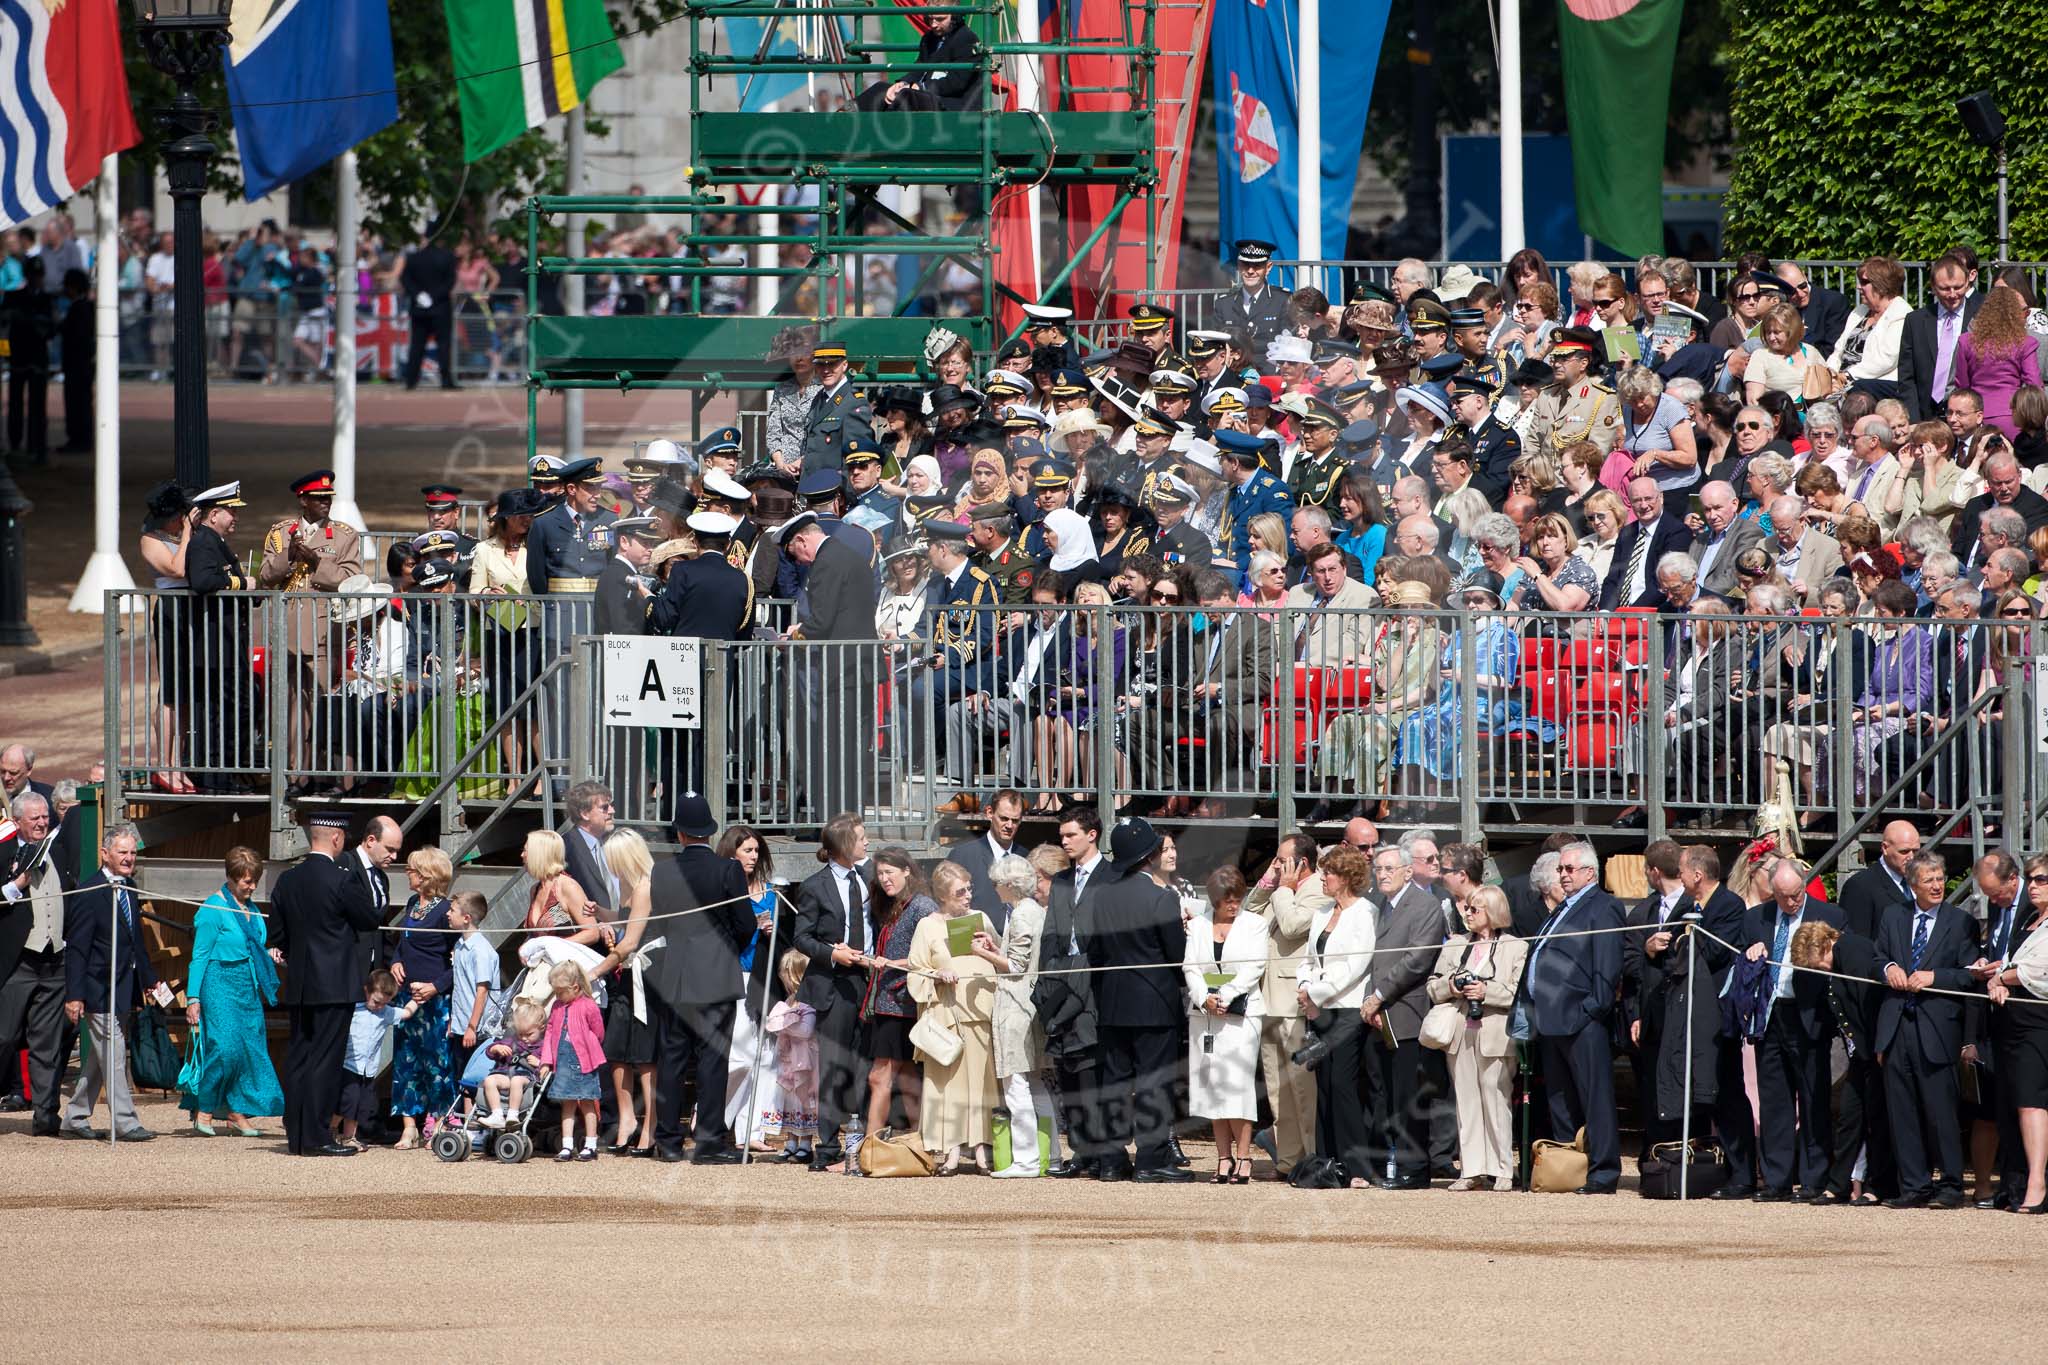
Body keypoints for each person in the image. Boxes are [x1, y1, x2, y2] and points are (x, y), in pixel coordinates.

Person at [642, 795, 755, 1164]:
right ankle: (708, 1141)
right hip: (715, 974)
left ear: (679, 832)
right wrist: (724, 952)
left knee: (672, 1059)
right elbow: (745, 924)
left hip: (675, 973)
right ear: (709, 830)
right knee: (712, 1060)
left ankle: (669, 1140)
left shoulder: (662, 870)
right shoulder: (728, 871)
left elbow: (660, 922)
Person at [1081, 818, 1191, 1182]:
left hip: (1112, 1001)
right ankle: (1151, 1158)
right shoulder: (1162, 897)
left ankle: (1112, 1159)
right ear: (1149, 856)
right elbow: (1176, 955)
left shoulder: (1102, 896)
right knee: (1154, 1083)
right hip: (1155, 1002)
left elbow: (1092, 950)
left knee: (1113, 1081)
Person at [269, 810, 383, 1156]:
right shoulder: (342, 878)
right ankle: (317, 1136)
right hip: (334, 983)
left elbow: (276, 934)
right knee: (325, 1061)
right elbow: (369, 918)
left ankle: (298, 1134)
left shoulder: (287, 880)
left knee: (300, 1057)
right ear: (336, 838)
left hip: (302, 981)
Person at [1516, 841, 1622, 1193]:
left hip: (1581, 1019)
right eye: (1560, 869)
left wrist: (1592, 1009)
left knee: (1595, 1099)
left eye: (1569, 869)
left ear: (1590, 872)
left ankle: (1603, 1172)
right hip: (1550, 1019)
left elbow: (1606, 965)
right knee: (1560, 1100)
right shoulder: (1561, 909)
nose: (1562, 875)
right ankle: (1567, 1168)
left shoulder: (1602, 907)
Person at [1874, 852, 1977, 1208]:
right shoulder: (1893, 916)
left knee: (1941, 1112)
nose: (1936, 886)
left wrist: (1936, 978)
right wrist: (1888, 967)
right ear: (1912, 884)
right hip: (1897, 1025)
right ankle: (1914, 1186)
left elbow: (1970, 975)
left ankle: (1950, 1185)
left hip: (1937, 1026)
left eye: (1940, 878)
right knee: (1902, 1110)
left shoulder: (1960, 921)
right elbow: (1876, 956)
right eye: (1928, 880)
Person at [1740, 859, 1844, 1200]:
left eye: (1796, 894)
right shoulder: (1757, 918)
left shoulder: (1830, 916)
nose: (1791, 902)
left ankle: (1814, 1179)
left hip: (1809, 1015)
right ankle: (1776, 1180)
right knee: (1774, 1102)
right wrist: (1750, 954)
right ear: (1773, 892)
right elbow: (1741, 966)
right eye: (1783, 896)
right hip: (1770, 1015)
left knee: (1814, 1098)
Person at [57, 824, 162, 1142]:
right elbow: (77, 948)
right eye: (122, 852)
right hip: (97, 987)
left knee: (98, 1059)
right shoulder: (91, 892)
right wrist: (74, 994)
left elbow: (136, 940)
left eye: (132, 852)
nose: (129, 858)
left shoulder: (129, 887)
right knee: (114, 1054)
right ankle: (126, 1122)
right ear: (105, 854)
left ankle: (74, 1118)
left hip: (123, 987)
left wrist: (149, 980)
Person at [176, 846, 282, 1138]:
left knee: (249, 1050)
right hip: (218, 982)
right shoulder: (213, 908)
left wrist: (269, 953)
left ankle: (236, 1113)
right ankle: (205, 1109)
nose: (251, 886)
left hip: (247, 986)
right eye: (245, 881)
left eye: (254, 880)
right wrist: (193, 998)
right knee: (225, 1048)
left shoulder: (254, 911)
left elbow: (256, 947)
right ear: (231, 877)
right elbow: (199, 955)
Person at [1425, 885, 1526, 1191]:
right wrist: (1453, 987)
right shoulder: (1455, 945)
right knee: (1466, 1102)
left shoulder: (1516, 946)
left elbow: (1517, 992)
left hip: (1495, 1033)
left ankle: (1502, 1170)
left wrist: (1486, 991)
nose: (1467, 913)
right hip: (1459, 1032)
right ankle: (1470, 1170)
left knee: (1496, 1101)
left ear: (1492, 912)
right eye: (1466, 908)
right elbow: (1432, 987)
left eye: (1474, 909)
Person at [903, 862, 999, 1173]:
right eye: (961, 892)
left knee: (983, 1083)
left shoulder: (981, 918)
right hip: (946, 1015)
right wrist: (936, 974)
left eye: (969, 889)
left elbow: (1002, 958)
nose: (968, 896)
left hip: (980, 1011)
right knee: (949, 1085)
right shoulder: (927, 926)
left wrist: (990, 947)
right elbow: (915, 967)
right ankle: (952, 1149)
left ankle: (984, 1148)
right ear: (944, 896)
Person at [792, 814, 874, 1171]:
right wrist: (832, 953)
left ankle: (863, 1138)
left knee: (864, 1063)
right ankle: (827, 1144)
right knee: (833, 1065)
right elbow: (802, 937)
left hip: (868, 978)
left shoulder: (870, 878)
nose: (867, 842)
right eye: (860, 837)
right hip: (834, 982)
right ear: (843, 845)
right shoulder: (815, 886)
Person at [1243, 835, 1327, 1177]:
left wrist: (1284, 888)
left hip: (1294, 1000)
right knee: (1278, 1091)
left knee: (1303, 1091)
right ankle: (1288, 1159)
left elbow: (1292, 927)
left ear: (1301, 863)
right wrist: (1269, 881)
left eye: (1281, 860)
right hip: (1268, 998)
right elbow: (1251, 913)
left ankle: (1311, 1157)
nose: (1276, 865)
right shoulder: (1282, 889)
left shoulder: (1318, 889)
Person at [1182, 866, 1269, 1184]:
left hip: (1242, 1015)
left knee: (1237, 1084)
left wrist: (1226, 995)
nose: (1234, 905)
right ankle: (1223, 1158)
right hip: (1204, 1015)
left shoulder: (1255, 925)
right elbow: (1191, 967)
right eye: (1227, 901)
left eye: (1238, 899)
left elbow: (1253, 966)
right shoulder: (1199, 925)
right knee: (1211, 1086)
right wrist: (1204, 996)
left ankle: (1244, 1157)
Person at [1295, 846, 1377, 1185]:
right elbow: (1309, 958)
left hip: (1347, 1009)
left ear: (1345, 877)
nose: (1322, 878)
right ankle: (1327, 1164)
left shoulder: (1366, 912)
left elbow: (1355, 966)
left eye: (1328, 872)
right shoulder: (1322, 912)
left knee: (1343, 1085)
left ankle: (1356, 1167)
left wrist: (1314, 994)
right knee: (1324, 1086)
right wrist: (1304, 987)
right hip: (1318, 1009)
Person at [976, 851, 1055, 1177]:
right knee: (1035, 1083)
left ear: (1009, 885)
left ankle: (1026, 1158)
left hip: (1017, 1005)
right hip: (1031, 1004)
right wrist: (997, 948)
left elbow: (1017, 967)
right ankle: (1051, 1154)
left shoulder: (1022, 914)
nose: (994, 889)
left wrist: (983, 954)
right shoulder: (1035, 910)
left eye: (997, 884)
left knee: (1016, 1084)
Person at [1984, 852, 2048, 1212]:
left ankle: (2037, 1185)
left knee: (2032, 1103)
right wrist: (1998, 974)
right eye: (2032, 879)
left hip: (2039, 1023)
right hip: (2013, 1022)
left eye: (2042, 880)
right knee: (2015, 1105)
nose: (2034, 886)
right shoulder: (2029, 919)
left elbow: (2037, 970)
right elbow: (2014, 963)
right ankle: (2020, 1181)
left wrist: (2002, 976)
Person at [381, 847, 456, 1149]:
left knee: (437, 1061)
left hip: (434, 1000)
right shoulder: (413, 904)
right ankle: (409, 1125)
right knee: (405, 1061)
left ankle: (438, 1122)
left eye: (411, 869)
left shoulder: (446, 910)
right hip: (406, 996)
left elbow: (457, 961)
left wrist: (436, 987)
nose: (407, 873)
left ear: (426, 875)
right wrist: (396, 961)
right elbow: (403, 942)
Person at [861, 848, 937, 1144]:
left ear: (907, 871)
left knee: (879, 1077)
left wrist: (892, 962)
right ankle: (923, 1143)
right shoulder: (894, 904)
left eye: (890, 872)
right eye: (880, 874)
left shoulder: (923, 905)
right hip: (889, 1002)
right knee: (906, 1077)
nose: (884, 879)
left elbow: (935, 951)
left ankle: (869, 1146)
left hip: (902, 1001)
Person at [444, 891, 501, 1145]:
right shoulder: (460, 945)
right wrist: (454, 1023)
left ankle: (480, 1125)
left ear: (466, 918)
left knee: (475, 1077)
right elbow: (460, 988)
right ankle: (468, 1124)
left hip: (477, 1027)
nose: (448, 914)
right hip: (460, 1024)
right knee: (462, 1077)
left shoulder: (481, 950)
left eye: (452, 910)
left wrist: (471, 1026)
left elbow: (482, 990)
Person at [538, 961, 606, 1161]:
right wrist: (546, 1061)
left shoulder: (588, 1005)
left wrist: (590, 1045)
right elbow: (550, 1032)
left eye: (560, 992)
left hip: (584, 1062)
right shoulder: (558, 1007)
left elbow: (598, 1031)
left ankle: (591, 1144)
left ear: (575, 987)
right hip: (563, 1062)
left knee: (587, 1101)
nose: (557, 996)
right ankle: (567, 1145)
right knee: (567, 1103)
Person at [853, 8, 980, 109]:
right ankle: (846, 115)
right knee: (881, 88)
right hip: (928, 94)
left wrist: (921, 87)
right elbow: (918, 68)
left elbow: (956, 83)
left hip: (955, 103)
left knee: (907, 96)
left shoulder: (966, 38)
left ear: (955, 16)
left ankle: (884, 129)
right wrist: (902, 83)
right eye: (930, 19)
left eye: (940, 19)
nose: (933, 24)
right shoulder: (929, 38)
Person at [764, 950, 819, 1161]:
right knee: (789, 1099)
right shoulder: (789, 1001)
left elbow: (805, 1031)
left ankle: (805, 1143)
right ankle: (790, 1142)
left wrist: (784, 1023)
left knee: (804, 1099)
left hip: (805, 1059)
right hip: (788, 1059)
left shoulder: (807, 1002)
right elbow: (777, 1028)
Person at [477, 999, 548, 1130]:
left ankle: (512, 1115)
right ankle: (496, 1115)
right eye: (521, 1034)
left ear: (541, 1028)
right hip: (506, 1074)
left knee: (516, 1080)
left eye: (529, 1034)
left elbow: (549, 1066)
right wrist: (496, 1048)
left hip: (527, 1078)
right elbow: (490, 1052)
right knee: (489, 1080)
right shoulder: (512, 1041)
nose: (525, 1038)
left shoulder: (544, 1046)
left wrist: (540, 1063)